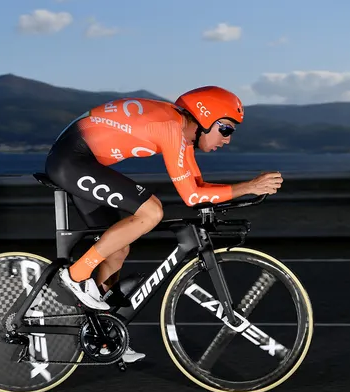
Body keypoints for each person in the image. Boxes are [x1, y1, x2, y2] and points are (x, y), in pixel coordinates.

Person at [43, 85, 285, 362]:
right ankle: (75, 275)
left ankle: (106, 335)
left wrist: (243, 191)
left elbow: (198, 187)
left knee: (118, 249)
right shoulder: (170, 127)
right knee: (151, 212)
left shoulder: (180, 133)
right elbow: (192, 196)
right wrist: (248, 186)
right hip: (73, 161)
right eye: (226, 129)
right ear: (205, 118)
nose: (227, 140)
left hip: (81, 162)